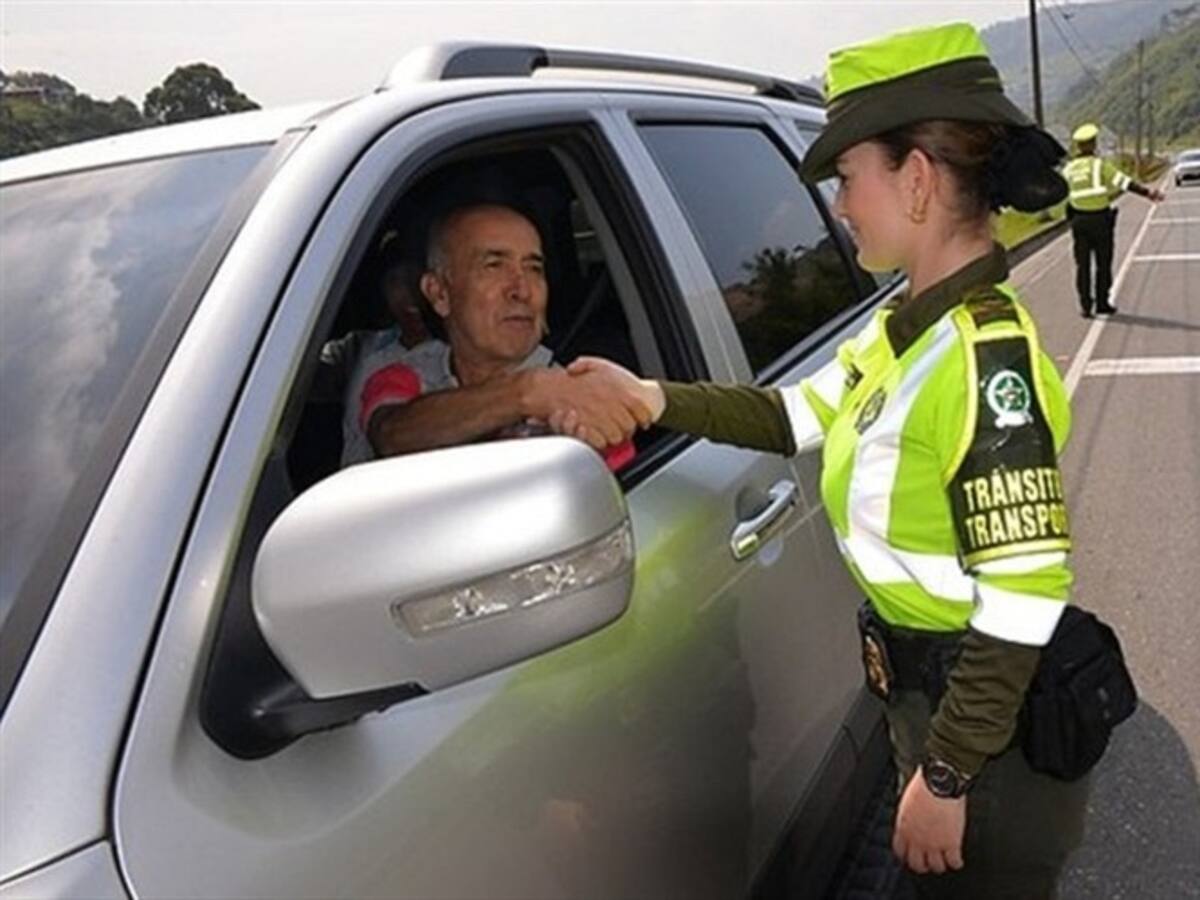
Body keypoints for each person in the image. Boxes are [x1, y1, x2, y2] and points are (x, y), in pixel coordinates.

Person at [563, 22, 1091, 899]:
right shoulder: (902, 336)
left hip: (986, 736)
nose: (839, 206)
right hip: (930, 702)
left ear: (916, 182)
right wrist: (654, 396)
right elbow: (793, 413)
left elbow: (1027, 595)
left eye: (850, 178)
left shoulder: (981, 362)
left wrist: (950, 775)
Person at [338, 202, 644, 468]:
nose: (521, 290)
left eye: (534, 268)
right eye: (494, 265)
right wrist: (523, 393)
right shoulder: (405, 374)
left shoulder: (577, 394)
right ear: (439, 293)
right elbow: (392, 435)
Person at [1063, 122, 1164, 317]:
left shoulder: (1069, 169)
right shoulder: (1100, 165)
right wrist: (1148, 193)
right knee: (1103, 262)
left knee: (1082, 265)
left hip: (1079, 222)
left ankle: (1085, 306)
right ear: (1093, 144)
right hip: (1100, 220)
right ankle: (1102, 303)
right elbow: (1124, 183)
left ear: (1078, 146)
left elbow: (1062, 194)